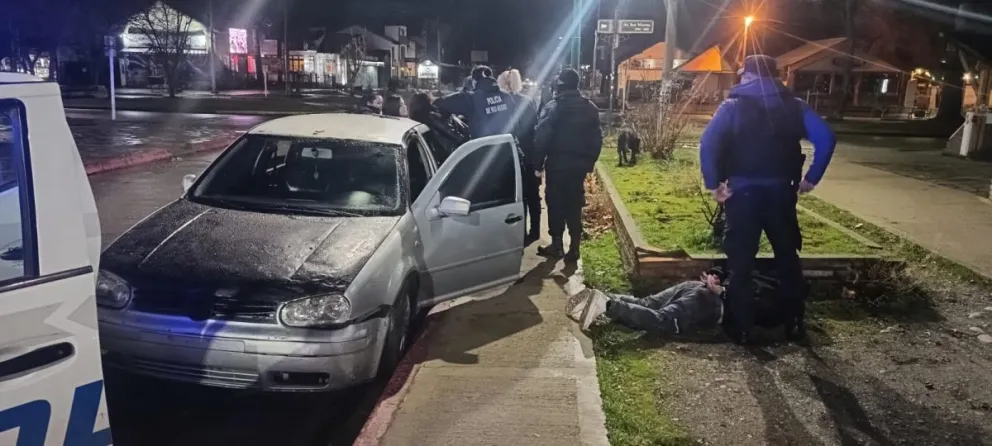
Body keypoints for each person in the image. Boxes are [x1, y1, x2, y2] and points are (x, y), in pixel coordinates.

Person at [699, 54, 836, 345]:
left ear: (746, 76)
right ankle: (794, 322)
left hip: (742, 194)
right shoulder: (795, 107)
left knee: (741, 262)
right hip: (780, 194)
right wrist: (812, 177)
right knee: (787, 259)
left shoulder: (732, 107)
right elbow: (826, 138)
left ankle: (743, 327)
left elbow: (708, 143)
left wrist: (714, 185)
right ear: (777, 77)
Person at [568, 269, 787, 335]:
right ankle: (607, 305)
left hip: (697, 288)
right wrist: (721, 290)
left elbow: (729, 270)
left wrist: (716, 278)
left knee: (647, 303)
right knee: (661, 320)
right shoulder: (777, 303)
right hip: (708, 301)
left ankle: (601, 297)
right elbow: (747, 311)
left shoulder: (763, 276)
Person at [532, 68, 603, 262]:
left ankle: (557, 246)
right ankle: (574, 248)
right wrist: (589, 163)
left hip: (557, 165)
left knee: (555, 203)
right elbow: (597, 139)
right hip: (578, 167)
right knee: (574, 204)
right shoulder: (590, 108)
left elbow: (541, 136)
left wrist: (537, 163)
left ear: (560, 85)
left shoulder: (554, 107)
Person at [498, 68, 542, 242]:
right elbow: (534, 127)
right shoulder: (528, 101)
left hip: (510, 156)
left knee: (518, 196)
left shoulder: (501, 102)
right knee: (532, 194)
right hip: (529, 153)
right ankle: (536, 230)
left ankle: (520, 233)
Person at [409, 91, 468, 163]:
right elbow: (451, 133)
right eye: (431, 98)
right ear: (427, 102)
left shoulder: (413, 120)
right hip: (446, 155)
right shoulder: (432, 116)